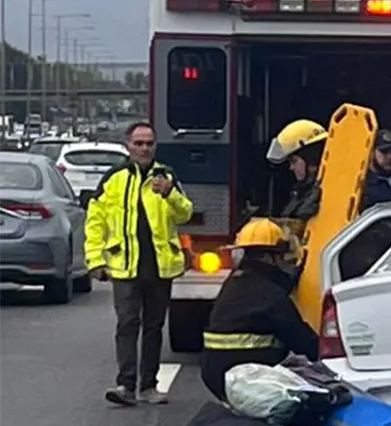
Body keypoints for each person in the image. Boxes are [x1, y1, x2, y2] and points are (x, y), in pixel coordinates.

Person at [85, 121, 193, 406]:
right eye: (139, 143)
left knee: (154, 327)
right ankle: (125, 385)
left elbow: (185, 214)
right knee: (127, 324)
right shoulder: (114, 178)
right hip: (125, 267)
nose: (144, 148)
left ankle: (148, 386)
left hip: (159, 267)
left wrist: (169, 193)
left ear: (155, 146)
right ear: (127, 146)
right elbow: (94, 222)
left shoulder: (166, 176)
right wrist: (95, 260)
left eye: (149, 143)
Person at [199, 218, 319, 401]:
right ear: (271, 257)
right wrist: (327, 355)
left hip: (215, 374)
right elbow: (300, 338)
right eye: (282, 256)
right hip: (248, 376)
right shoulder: (269, 293)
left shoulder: (235, 282)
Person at [266, 119, 327, 221]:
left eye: (294, 161)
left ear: (311, 158)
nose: (291, 167)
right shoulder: (304, 191)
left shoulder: (328, 192)